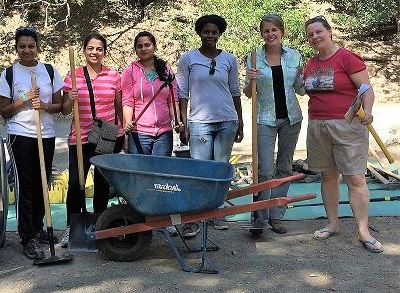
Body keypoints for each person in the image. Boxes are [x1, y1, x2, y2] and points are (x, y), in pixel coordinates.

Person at [304, 16, 383, 252]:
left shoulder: (346, 58)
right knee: (328, 176)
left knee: (355, 178)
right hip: (318, 126)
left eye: (319, 32)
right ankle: (332, 223)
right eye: (310, 35)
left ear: (329, 32)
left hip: (347, 126)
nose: (315, 37)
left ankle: (363, 231)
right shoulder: (311, 63)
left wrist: (367, 110)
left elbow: (366, 89)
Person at [0, 27, 64, 259]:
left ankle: (38, 228)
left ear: (37, 47)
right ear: (16, 48)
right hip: (20, 135)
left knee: (41, 184)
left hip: (45, 134)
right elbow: (3, 112)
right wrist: (25, 99)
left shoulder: (49, 71)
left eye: (31, 46)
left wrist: (43, 106)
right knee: (24, 186)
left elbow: (60, 107)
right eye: (22, 46)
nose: (27, 50)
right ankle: (27, 237)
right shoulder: (9, 74)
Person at [177, 14, 244, 238]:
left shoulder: (229, 60)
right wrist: (183, 122)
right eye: (206, 31)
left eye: (214, 32)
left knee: (220, 168)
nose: (210, 35)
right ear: (199, 32)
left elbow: (235, 91)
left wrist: (240, 120)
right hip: (199, 123)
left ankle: (217, 212)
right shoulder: (188, 59)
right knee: (199, 170)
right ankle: (194, 217)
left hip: (227, 120)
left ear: (219, 34)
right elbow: (182, 94)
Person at [61, 33, 125, 247]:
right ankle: (72, 225)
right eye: (90, 48)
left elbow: (118, 106)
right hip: (79, 136)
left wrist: (122, 132)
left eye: (99, 49)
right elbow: (64, 110)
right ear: (84, 50)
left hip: (106, 133)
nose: (95, 52)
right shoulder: (73, 75)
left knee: (101, 181)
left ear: (104, 52)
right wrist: (70, 98)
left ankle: (100, 221)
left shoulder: (113, 76)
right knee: (75, 182)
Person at [243, 13, 305, 234]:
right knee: (265, 169)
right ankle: (259, 217)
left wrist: (316, 80)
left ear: (282, 32)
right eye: (266, 30)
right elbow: (249, 94)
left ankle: (277, 216)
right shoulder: (253, 57)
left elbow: (300, 88)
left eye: (274, 30)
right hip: (264, 119)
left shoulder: (294, 57)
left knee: (284, 168)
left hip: (291, 118)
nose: (270, 34)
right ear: (262, 34)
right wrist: (250, 80)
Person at [122, 31, 182, 156]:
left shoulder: (166, 70)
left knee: (161, 170)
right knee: (141, 171)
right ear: (135, 50)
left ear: (154, 46)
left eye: (147, 45)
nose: (143, 48)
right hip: (140, 132)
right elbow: (127, 100)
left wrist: (177, 121)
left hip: (164, 132)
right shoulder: (130, 71)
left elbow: (172, 98)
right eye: (139, 46)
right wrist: (128, 121)